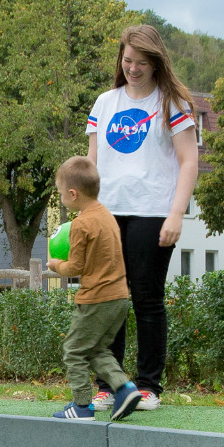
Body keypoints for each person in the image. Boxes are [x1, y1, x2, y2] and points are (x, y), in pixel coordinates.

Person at [84, 24, 200, 411]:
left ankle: (149, 386)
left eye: (142, 63)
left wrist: (176, 215)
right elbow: (92, 164)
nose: (133, 68)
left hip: (153, 213)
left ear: (156, 64)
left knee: (147, 300)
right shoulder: (105, 103)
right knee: (108, 299)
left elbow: (189, 162)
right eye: (128, 60)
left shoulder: (172, 104)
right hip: (107, 213)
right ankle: (108, 385)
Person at [45, 156, 144, 423]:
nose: (61, 198)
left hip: (95, 298)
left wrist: (56, 265)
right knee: (97, 348)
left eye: (60, 194)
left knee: (74, 350)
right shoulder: (107, 215)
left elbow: (76, 266)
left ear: (73, 194)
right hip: (119, 296)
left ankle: (81, 406)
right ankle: (124, 388)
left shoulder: (81, 223)